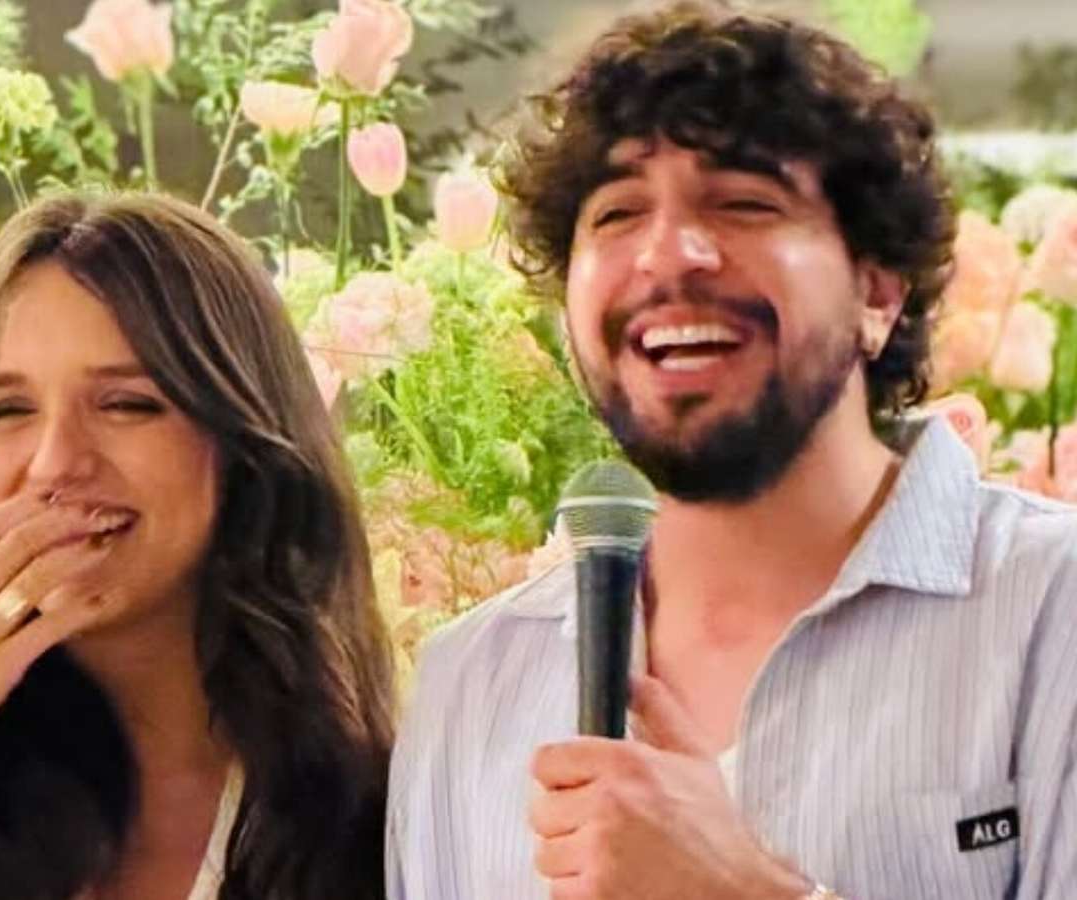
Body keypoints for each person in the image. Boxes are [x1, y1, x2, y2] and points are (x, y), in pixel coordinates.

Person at [386, 3, 1077, 898]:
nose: (669, 254)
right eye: (618, 213)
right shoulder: (471, 681)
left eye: (745, 203)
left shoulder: (1049, 610)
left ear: (877, 294)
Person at [0, 192, 393, 899]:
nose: (54, 463)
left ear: (244, 446)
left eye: (127, 404)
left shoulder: (381, 806)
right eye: (7, 409)